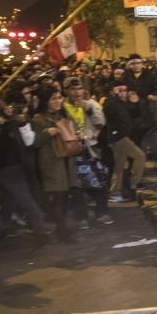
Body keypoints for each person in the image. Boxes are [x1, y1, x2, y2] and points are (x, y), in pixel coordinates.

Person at [0, 91, 50, 241]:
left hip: (12, 168)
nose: (15, 108)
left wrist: (22, 123)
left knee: (25, 199)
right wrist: (3, 118)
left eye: (20, 106)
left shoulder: (23, 119)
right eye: (12, 105)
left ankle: (41, 230)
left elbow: (29, 142)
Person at [63, 77, 113, 226]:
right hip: (72, 150)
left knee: (98, 181)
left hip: (90, 149)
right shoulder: (63, 107)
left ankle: (101, 212)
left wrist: (88, 109)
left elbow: (101, 123)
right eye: (72, 89)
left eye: (79, 89)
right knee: (76, 185)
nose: (77, 92)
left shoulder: (91, 104)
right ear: (66, 91)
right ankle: (81, 216)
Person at [31, 87, 77, 242]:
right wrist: (47, 133)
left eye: (59, 98)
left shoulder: (63, 114)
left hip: (66, 159)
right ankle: (62, 230)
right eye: (53, 98)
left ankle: (60, 226)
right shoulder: (38, 119)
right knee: (58, 196)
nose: (58, 101)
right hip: (51, 161)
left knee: (64, 196)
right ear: (45, 101)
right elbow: (34, 143)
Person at [103, 80, 146, 202]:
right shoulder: (110, 102)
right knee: (140, 156)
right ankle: (133, 183)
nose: (123, 93)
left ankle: (114, 192)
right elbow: (108, 111)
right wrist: (116, 97)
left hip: (120, 137)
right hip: (118, 138)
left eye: (124, 90)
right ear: (113, 90)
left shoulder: (123, 103)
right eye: (119, 90)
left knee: (120, 167)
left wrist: (136, 103)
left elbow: (134, 114)